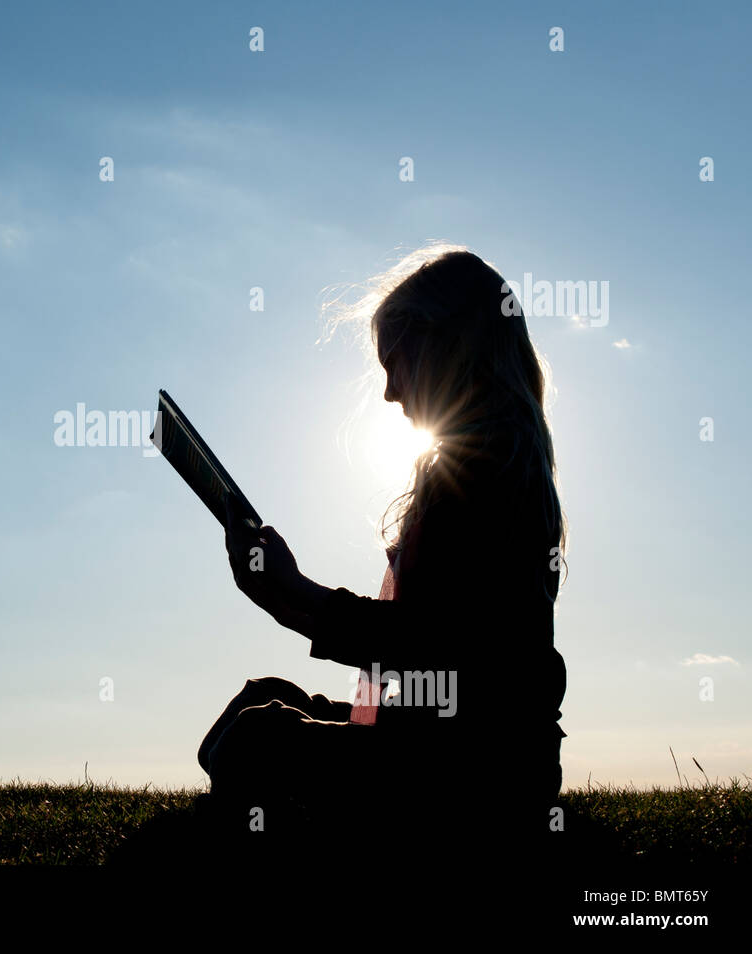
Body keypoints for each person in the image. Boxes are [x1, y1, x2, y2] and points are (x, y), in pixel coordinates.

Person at [197, 248, 567, 863]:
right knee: (259, 702)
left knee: (251, 740)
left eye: (396, 364)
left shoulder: (489, 470)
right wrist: (288, 597)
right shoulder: (486, 461)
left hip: (472, 772)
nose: (391, 392)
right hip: (446, 744)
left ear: (450, 345)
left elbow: (428, 644)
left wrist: (297, 593)